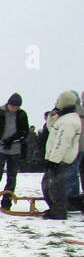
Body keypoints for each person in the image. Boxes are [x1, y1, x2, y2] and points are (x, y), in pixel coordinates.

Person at [0, 93, 30, 211]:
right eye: (12, 106)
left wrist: (13, 139)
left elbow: (24, 131)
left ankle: (6, 203)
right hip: (0, 150)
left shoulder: (22, 115)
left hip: (15, 150)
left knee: (12, 178)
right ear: (8, 104)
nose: (14, 109)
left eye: (17, 107)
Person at [41, 90, 82, 221]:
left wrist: (54, 160)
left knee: (56, 186)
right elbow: (51, 129)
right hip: (57, 158)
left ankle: (59, 211)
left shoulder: (68, 121)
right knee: (49, 184)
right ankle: (58, 208)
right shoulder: (64, 118)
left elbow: (61, 143)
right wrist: (52, 116)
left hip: (61, 159)